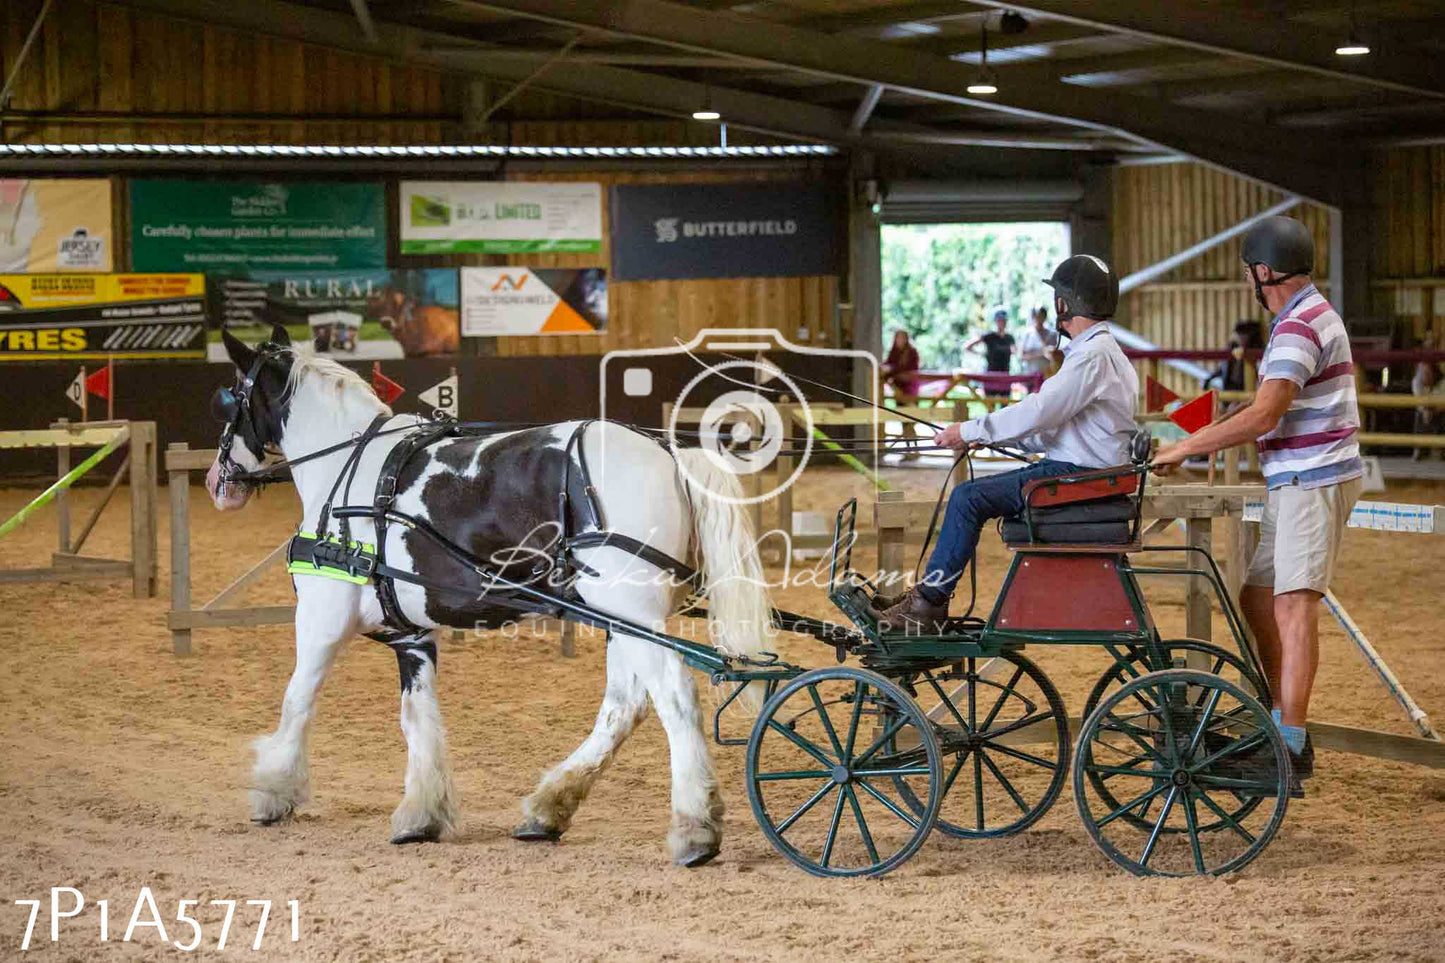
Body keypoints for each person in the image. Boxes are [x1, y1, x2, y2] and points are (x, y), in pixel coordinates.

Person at [1152, 215, 1364, 795]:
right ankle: (1282, 722)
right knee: (1259, 596)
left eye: (1251, 270)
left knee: (1293, 606)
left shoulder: (1298, 325)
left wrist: (1189, 444)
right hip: (1298, 478)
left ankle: (1289, 746)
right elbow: (1267, 409)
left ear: (1264, 270)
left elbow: (1266, 414)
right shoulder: (1300, 318)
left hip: (1313, 479)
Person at [876, 255, 1137, 631]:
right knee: (975, 495)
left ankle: (929, 602)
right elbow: (1056, 426)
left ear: (1064, 303)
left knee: (968, 498)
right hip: (1085, 469)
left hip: (1079, 474)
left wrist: (970, 431)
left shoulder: (1092, 357)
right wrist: (988, 437)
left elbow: (1040, 410)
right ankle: (926, 597)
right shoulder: (1104, 354)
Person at [883, 329, 926, 448]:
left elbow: (909, 370)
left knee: (910, 418)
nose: (899, 340)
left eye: (902, 338)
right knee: (903, 419)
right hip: (898, 390)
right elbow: (890, 366)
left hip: (910, 390)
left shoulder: (912, 352)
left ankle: (914, 449)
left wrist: (891, 370)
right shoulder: (894, 352)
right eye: (897, 338)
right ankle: (909, 449)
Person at [1203, 320, 1266, 393]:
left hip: (1249, 389)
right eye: (1239, 334)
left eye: (1244, 335)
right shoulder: (1232, 347)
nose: (1241, 338)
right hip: (1230, 386)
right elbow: (1223, 368)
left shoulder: (1257, 351)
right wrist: (1209, 379)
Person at [966, 308, 1015, 399]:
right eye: (1000, 320)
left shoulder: (1009, 338)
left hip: (1005, 375)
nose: (1002, 323)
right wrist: (981, 354)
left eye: (1004, 320)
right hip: (991, 375)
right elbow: (968, 346)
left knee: (1004, 406)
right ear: (996, 321)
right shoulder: (989, 336)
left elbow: (1015, 351)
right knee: (990, 404)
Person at [1411, 337, 1443, 461]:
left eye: (1428, 371)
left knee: (1439, 417)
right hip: (1425, 410)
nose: (1426, 374)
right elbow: (1418, 401)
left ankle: (1438, 451)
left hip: (1438, 411)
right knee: (1420, 415)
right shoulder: (1416, 382)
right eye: (1423, 371)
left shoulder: (1442, 382)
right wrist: (1425, 409)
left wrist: (1433, 409)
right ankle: (1418, 449)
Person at [1017, 305, 1057, 380]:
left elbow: (1055, 355)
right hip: (1031, 375)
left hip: (1047, 375)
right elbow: (1021, 355)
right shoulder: (1027, 334)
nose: (1039, 318)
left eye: (1041, 315)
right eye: (1036, 316)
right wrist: (1041, 353)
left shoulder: (1052, 334)